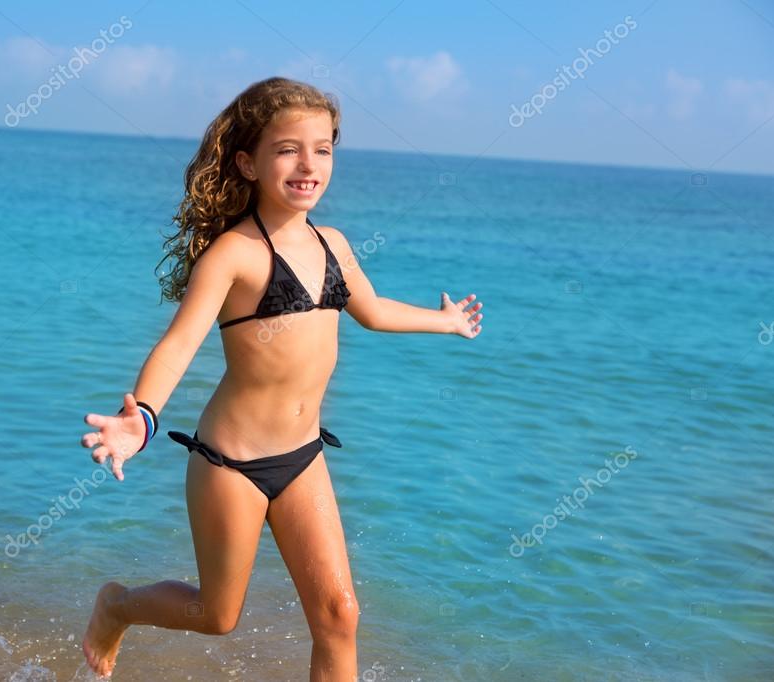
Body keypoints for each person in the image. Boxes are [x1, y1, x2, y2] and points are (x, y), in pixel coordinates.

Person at [79, 76, 483, 680]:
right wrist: (143, 418)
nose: (308, 163)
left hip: (302, 456)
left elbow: (372, 310)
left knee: (340, 614)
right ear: (248, 161)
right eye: (288, 148)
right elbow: (179, 344)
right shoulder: (234, 255)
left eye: (322, 149)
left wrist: (444, 322)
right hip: (230, 464)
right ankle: (117, 606)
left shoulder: (334, 244)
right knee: (218, 616)